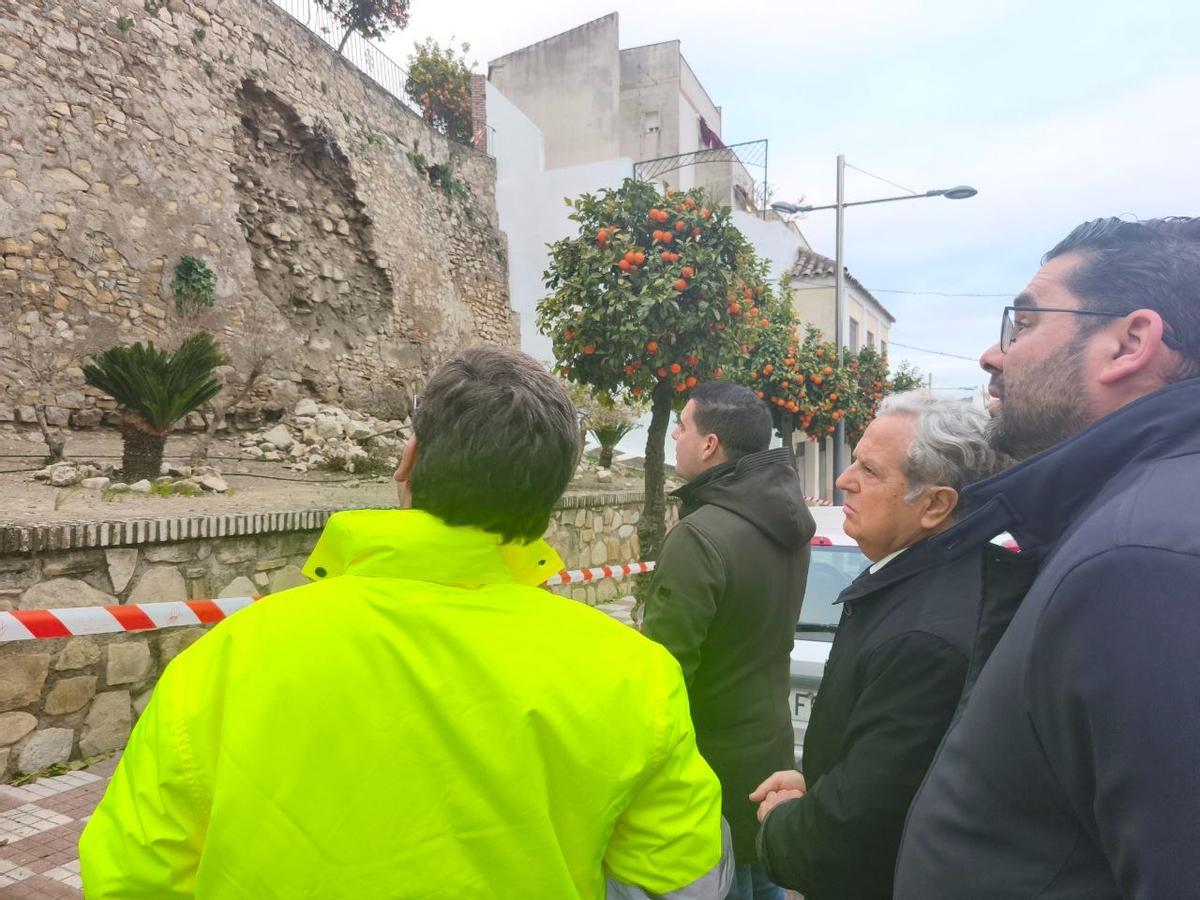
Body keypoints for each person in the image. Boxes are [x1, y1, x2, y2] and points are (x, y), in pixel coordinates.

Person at [80, 346, 731, 900]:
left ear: (410, 462)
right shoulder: (637, 678)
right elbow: (685, 881)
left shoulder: (231, 655)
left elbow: (130, 874)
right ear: (551, 497)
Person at [895, 217, 1200, 898]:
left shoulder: (1144, 561)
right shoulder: (1133, 524)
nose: (992, 355)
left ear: (1130, 342)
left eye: (1024, 324)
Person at [750, 393, 1025, 899]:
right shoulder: (931, 583)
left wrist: (784, 824)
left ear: (936, 504)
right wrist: (822, 781)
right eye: (854, 460)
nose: (843, 480)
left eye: (870, 471)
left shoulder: (927, 638)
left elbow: (857, 831)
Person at [641, 382, 815, 900]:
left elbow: (665, 669)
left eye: (683, 426)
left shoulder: (701, 535)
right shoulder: (788, 522)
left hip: (709, 760)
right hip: (770, 745)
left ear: (710, 444)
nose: (675, 435)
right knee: (765, 877)